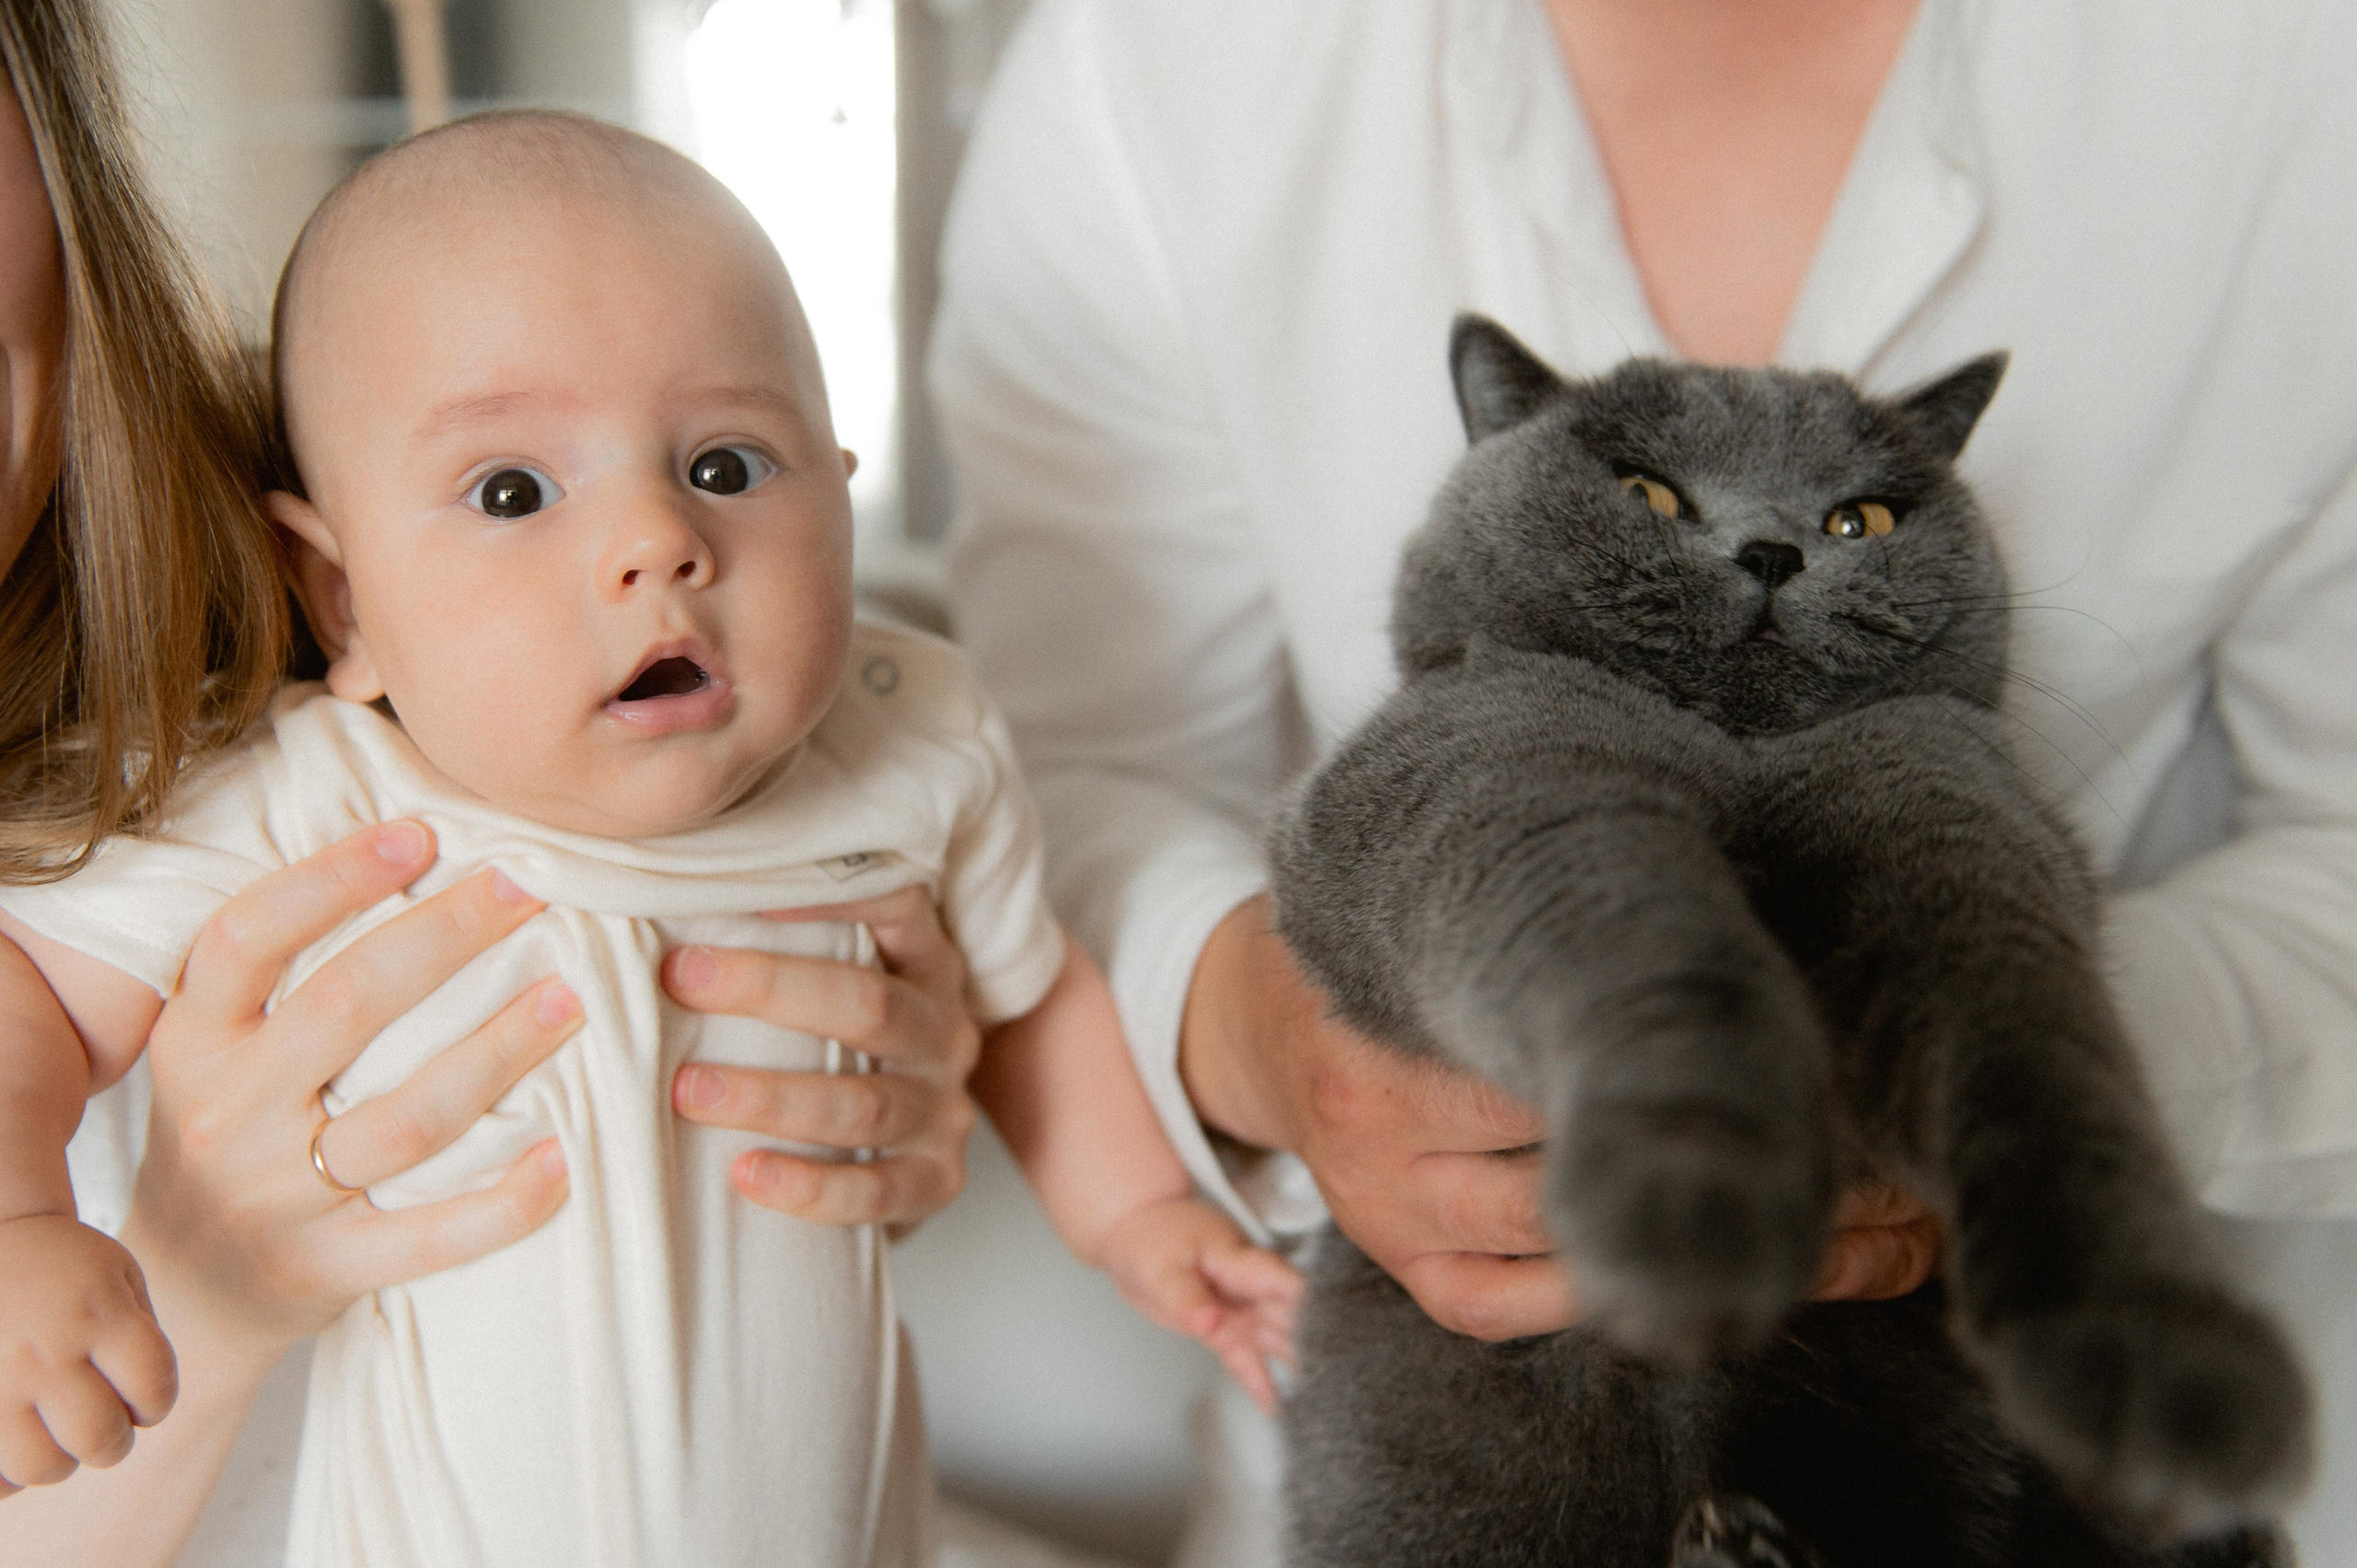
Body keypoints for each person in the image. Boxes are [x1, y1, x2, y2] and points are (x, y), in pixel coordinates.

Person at [932, 0, 2357, 1561]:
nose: (1761, 548)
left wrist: (2009, 1077)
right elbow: (1059, 775)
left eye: (1858, 526)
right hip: (1441, 1432)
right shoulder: (1166, 56)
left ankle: (2097, 1283)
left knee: (1950, 842)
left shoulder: (2293, 68)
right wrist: (1264, 1033)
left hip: (2029, 1471)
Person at [0, 109, 1296, 1568]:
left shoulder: (910, 745)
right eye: (512, 492)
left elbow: (1032, 992)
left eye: (731, 464)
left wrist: (1134, 1217)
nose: (658, 541)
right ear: (343, 600)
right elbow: (33, 992)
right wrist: (20, 1215)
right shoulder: (316, 803)